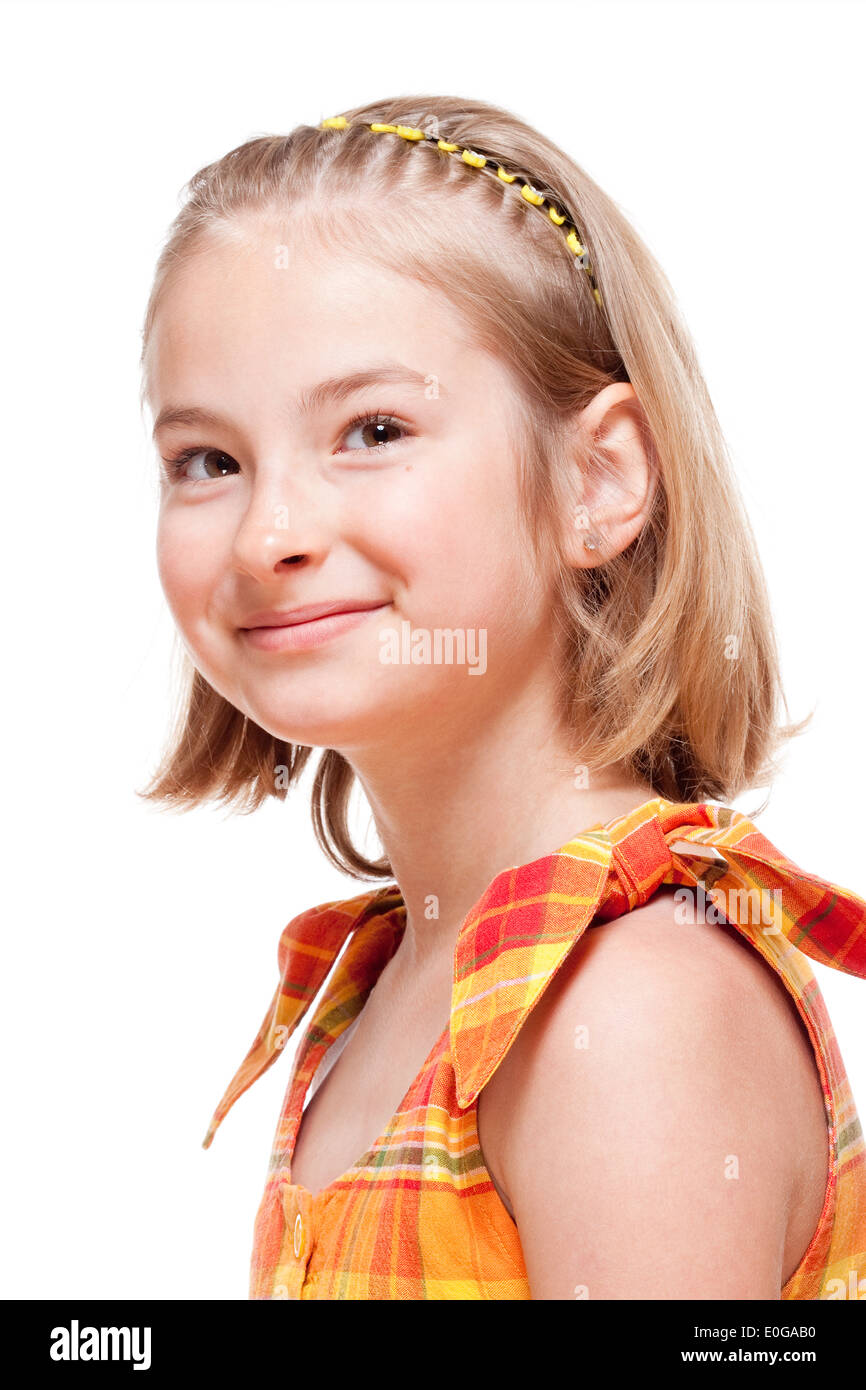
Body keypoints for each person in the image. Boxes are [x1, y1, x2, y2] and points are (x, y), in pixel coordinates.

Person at [138, 94, 866, 1300]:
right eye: (207, 461)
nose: (268, 531)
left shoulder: (631, 1004)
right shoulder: (391, 987)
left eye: (372, 430)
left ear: (596, 479)